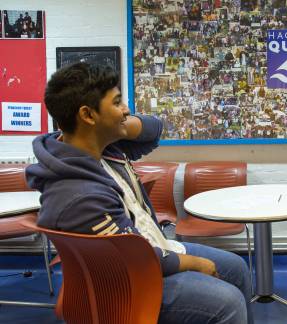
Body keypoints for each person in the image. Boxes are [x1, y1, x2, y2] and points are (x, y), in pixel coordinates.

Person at [26, 63, 253, 324]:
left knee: (237, 268)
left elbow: (154, 128)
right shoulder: (80, 197)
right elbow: (137, 260)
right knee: (228, 302)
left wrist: (120, 125)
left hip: (152, 247)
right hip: (125, 284)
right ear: (88, 115)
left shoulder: (102, 146)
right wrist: (194, 263)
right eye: (117, 103)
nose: (126, 110)